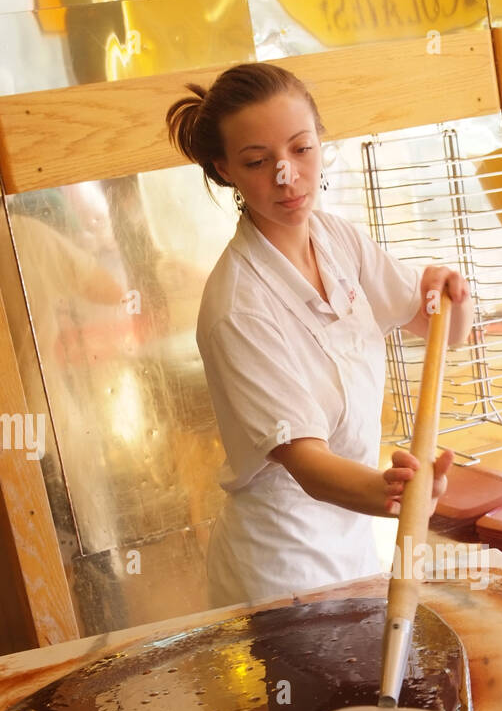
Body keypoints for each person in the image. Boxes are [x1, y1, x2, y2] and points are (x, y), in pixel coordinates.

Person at [166, 63, 473, 608]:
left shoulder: (336, 238)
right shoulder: (238, 306)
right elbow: (306, 464)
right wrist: (399, 492)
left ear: (321, 144)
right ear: (227, 170)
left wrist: (450, 295)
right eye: (258, 162)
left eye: (301, 149)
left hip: (354, 544)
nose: (286, 175)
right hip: (283, 565)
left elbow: (434, 328)